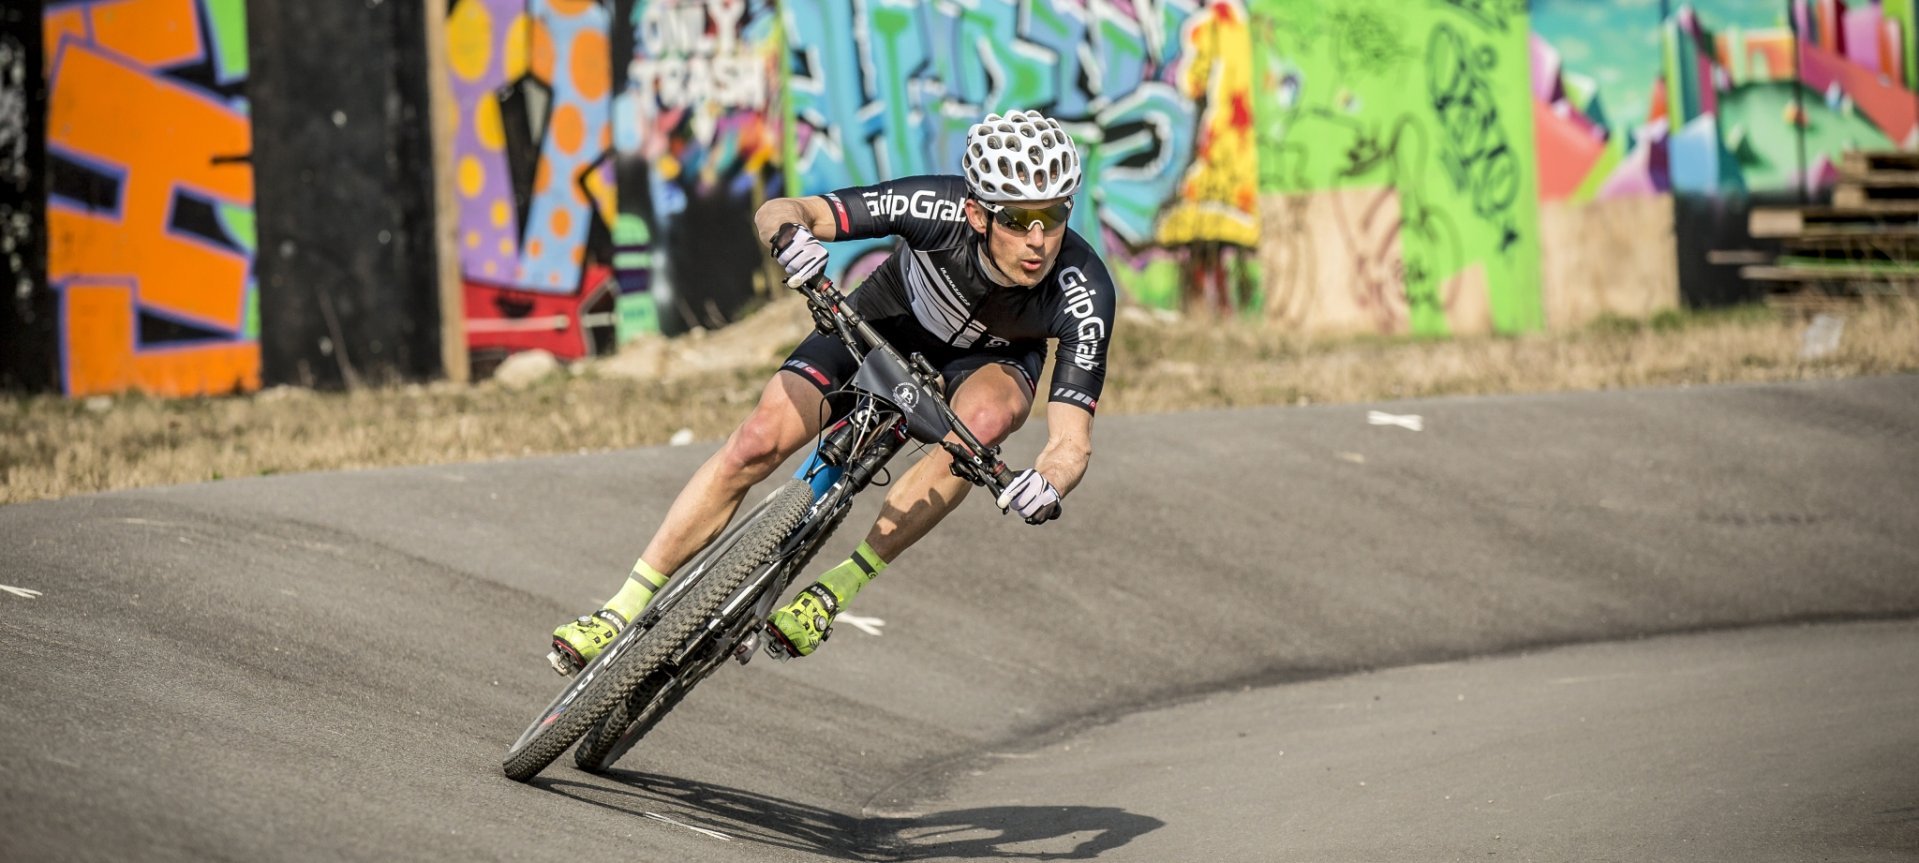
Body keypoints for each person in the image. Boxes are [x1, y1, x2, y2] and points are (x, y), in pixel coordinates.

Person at [548, 109, 1116, 672]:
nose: (1038, 239)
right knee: (756, 441)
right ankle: (621, 608)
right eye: (1016, 219)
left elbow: (1072, 442)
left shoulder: (1082, 288)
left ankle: (839, 587)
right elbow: (784, 209)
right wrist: (789, 239)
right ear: (975, 212)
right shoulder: (932, 205)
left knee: (983, 427)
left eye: (1054, 213)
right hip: (886, 318)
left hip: (989, 362)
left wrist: (1048, 483)